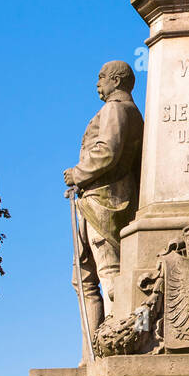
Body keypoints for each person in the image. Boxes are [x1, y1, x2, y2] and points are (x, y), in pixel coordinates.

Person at [64, 61, 143, 358]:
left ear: (117, 80)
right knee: (87, 278)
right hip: (106, 199)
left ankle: (108, 351)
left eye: (101, 78)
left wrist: (78, 173)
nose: (97, 83)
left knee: (106, 276)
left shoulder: (116, 109)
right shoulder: (134, 114)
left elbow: (107, 151)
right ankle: (93, 353)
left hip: (103, 200)